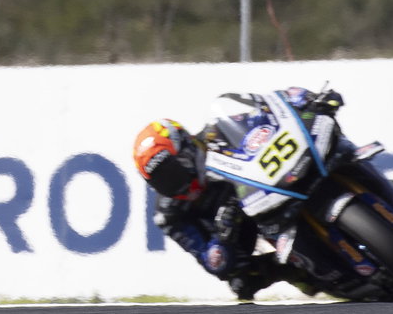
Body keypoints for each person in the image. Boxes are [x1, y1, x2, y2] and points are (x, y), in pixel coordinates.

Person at [133, 87, 343, 301]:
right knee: (241, 283)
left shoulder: (216, 135)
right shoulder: (169, 214)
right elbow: (213, 262)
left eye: (173, 172)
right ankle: (304, 272)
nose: (175, 184)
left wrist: (302, 101)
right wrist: (223, 234)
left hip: (272, 186)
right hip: (239, 231)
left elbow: (266, 112)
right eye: (163, 182)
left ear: (186, 148)